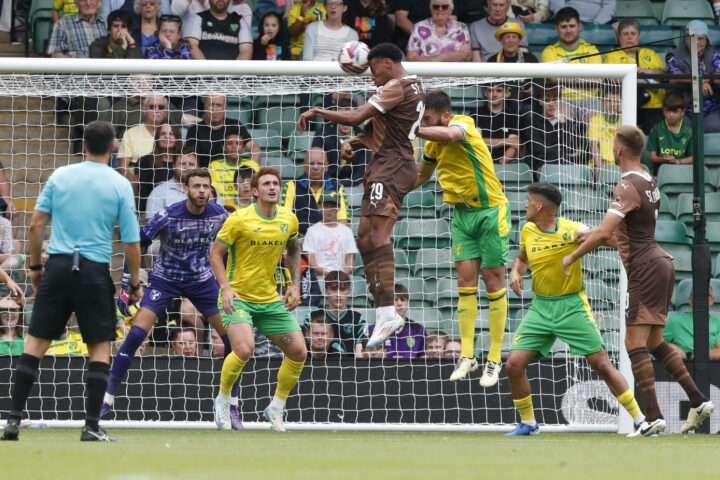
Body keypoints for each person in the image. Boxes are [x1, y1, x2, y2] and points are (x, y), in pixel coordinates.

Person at [561, 125, 714, 435]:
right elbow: (623, 234)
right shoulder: (648, 179)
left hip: (643, 268)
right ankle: (698, 401)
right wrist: (587, 236)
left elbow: (608, 233)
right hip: (659, 262)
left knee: (634, 343)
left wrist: (573, 256)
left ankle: (654, 417)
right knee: (655, 341)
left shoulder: (627, 185)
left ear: (618, 150)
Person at [1, 120, 141, 442]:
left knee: (34, 344)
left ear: (82, 146)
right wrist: (134, 284)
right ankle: (91, 426)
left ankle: (12, 422)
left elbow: (36, 226)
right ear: (112, 147)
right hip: (93, 271)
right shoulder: (120, 184)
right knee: (99, 348)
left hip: (59, 268)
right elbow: (132, 244)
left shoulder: (60, 176)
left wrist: (36, 268)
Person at [297, 42, 425, 350]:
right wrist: (356, 143)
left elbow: (356, 116)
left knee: (377, 237)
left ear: (386, 63)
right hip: (388, 163)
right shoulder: (414, 83)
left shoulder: (396, 85)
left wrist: (318, 111)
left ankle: (389, 311)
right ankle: (383, 311)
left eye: (372, 70)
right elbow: (386, 127)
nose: (371, 77)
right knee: (365, 237)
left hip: (391, 167)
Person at [504, 181, 645, 436]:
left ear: (539, 205)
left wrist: (605, 237)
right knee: (513, 364)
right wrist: (515, 272)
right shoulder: (527, 229)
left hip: (571, 306)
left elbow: (610, 240)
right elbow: (523, 258)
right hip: (541, 308)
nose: (524, 204)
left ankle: (640, 420)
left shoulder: (573, 230)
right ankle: (529, 423)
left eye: (528, 200)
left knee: (601, 364)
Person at [102, 168, 233, 420]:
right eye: (196, 186)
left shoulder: (220, 216)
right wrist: (128, 282)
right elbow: (137, 242)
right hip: (165, 281)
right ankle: (107, 398)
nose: (202, 191)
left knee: (232, 340)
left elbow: (233, 244)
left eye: (206, 187)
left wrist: (230, 281)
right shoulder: (168, 215)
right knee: (135, 336)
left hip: (202, 282)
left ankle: (227, 403)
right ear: (186, 189)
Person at [415, 90, 509, 386]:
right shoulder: (432, 143)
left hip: (490, 211)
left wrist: (412, 128)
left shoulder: (463, 124)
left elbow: (453, 135)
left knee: (493, 281)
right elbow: (421, 176)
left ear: (444, 116)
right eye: (421, 120)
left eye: (428, 120)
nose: (424, 125)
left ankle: (494, 359)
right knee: (465, 283)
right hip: (461, 216)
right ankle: (467, 355)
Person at [209, 167, 305, 433]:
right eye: (266, 184)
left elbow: (294, 249)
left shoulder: (289, 219)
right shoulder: (238, 220)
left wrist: (294, 285)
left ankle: (275, 407)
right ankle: (223, 400)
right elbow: (215, 254)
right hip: (237, 297)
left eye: (276, 183)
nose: (273, 188)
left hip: (269, 299)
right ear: (254, 191)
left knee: (298, 352)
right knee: (244, 349)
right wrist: (225, 287)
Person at [603, 19, 665, 131]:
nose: (629, 37)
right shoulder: (612, 56)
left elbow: (662, 73)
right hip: (624, 106)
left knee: (656, 133)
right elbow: (611, 77)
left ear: (639, 36)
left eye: (633, 34)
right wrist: (635, 80)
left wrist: (647, 72)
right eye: (625, 34)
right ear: (619, 37)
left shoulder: (650, 53)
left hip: (653, 105)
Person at [541, 7, 601, 121]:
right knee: (561, 117)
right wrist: (584, 76)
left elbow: (598, 79)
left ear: (579, 27)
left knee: (595, 119)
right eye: (564, 27)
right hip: (562, 100)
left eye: (572, 26)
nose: (568, 30)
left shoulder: (591, 50)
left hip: (590, 100)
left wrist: (567, 77)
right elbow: (554, 78)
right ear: (557, 29)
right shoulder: (549, 51)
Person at [519, 81, 585, 178]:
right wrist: (562, 153)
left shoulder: (566, 123)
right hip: (543, 167)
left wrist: (562, 122)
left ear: (560, 101)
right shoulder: (533, 122)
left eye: (554, 100)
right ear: (540, 101)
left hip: (567, 167)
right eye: (547, 100)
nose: (551, 104)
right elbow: (537, 149)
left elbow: (572, 149)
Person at [666, 20, 720, 133]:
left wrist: (705, 79)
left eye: (701, 39)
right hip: (681, 108)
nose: (697, 42)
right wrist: (698, 81)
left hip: (709, 109)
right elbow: (674, 78)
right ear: (686, 38)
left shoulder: (714, 54)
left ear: (706, 40)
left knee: (716, 128)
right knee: (679, 132)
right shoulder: (674, 55)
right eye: (693, 38)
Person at [282, 147, 350, 236]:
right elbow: (285, 220)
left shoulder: (337, 188)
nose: (315, 167)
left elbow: (343, 221)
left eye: (319, 163)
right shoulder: (292, 186)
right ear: (304, 165)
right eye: (311, 163)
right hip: (300, 241)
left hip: (330, 242)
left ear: (326, 166)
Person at [302, 270, 366, 356]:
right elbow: (304, 349)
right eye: (334, 289)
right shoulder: (311, 318)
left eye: (342, 289)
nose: (338, 294)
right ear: (325, 291)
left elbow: (360, 355)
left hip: (349, 367)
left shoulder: (358, 319)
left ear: (349, 292)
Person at [185, 95, 259, 168]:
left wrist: (249, 172)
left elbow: (255, 149)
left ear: (225, 107)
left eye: (219, 105)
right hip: (205, 176)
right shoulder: (194, 130)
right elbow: (191, 160)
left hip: (233, 176)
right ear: (204, 106)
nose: (214, 109)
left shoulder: (235, 125)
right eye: (211, 105)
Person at [311, 96, 370, 186]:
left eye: (349, 117)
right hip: (327, 185)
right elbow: (317, 166)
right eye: (342, 117)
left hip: (353, 185)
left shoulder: (363, 137)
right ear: (336, 116)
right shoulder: (322, 134)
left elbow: (362, 172)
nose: (345, 121)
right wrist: (335, 184)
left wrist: (345, 183)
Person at [117, 95, 171, 182]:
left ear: (166, 111)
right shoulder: (130, 133)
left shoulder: (172, 133)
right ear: (144, 109)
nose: (156, 110)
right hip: (138, 179)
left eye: (161, 107)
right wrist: (136, 182)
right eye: (152, 107)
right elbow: (122, 168)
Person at [303, 193, 358, 277]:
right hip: (319, 277)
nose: (329, 210)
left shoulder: (347, 231)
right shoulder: (312, 231)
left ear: (338, 208)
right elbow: (311, 261)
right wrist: (328, 275)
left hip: (342, 277)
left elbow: (350, 260)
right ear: (320, 207)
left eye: (332, 206)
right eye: (326, 206)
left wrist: (342, 276)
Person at [367, 284, 426, 358]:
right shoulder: (374, 330)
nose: (399, 303)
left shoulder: (418, 330)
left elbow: (424, 361)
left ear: (408, 303)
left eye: (403, 300)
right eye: (395, 299)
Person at [208, 126, 260, 209]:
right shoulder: (214, 166)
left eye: (238, 143)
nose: (234, 146)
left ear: (243, 148)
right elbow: (213, 191)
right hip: (221, 207)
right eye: (230, 143)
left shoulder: (252, 165)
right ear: (224, 147)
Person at [135, 123, 182, 216]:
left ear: (177, 138)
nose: (166, 137)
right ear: (157, 138)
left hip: (180, 210)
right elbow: (143, 192)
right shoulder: (145, 160)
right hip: (153, 211)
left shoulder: (185, 161)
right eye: (162, 134)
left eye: (171, 134)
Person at [406, 0, 471, 63]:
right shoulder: (419, 27)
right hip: (427, 72)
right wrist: (433, 61)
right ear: (431, 10)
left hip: (455, 72)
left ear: (450, 10)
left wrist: (440, 57)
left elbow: (465, 53)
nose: (440, 9)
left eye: (444, 7)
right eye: (436, 6)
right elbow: (411, 57)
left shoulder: (461, 27)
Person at [184, 0, 253, 60]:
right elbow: (191, 46)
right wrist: (207, 71)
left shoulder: (239, 21)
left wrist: (231, 73)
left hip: (232, 73)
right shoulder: (197, 18)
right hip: (203, 72)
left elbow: (246, 50)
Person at [664, 287, 720, 360]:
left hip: (712, 367)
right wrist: (671, 346)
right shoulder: (675, 321)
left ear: (712, 300)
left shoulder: (718, 324)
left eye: (705, 295)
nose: (701, 299)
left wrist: (695, 356)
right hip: (681, 365)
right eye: (696, 295)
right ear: (690, 300)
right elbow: (655, 343)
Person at [646, 90, 693, 175]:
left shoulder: (689, 131)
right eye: (668, 111)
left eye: (675, 111)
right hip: (660, 171)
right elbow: (652, 157)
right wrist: (663, 159)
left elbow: (694, 158)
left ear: (683, 111)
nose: (671, 115)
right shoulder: (656, 129)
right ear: (664, 110)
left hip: (682, 171)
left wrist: (679, 161)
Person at [472, 83, 520, 164]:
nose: (494, 94)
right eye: (491, 90)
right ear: (485, 93)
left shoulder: (512, 116)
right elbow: (478, 142)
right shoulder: (476, 114)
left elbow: (514, 144)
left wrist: (502, 162)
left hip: (504, 165)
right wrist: (506, 141)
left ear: (506, 93)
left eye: (499, 90)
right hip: (481, 162)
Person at [588, 84, 622, 167]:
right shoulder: (595, 120)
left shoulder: (624, 120)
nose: (612, 104)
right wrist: (601, 170)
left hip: (620, 164)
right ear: (602, 101)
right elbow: (594, 146)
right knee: (596, 173)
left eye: (616, 101)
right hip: (601, 164)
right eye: (609, 100)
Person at [549, 0, 615, 25]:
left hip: (599, 21)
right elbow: (557, 2)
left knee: (619, 27)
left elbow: (609, 5)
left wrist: (598, 22)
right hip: (567, 18)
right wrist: (567, 18)